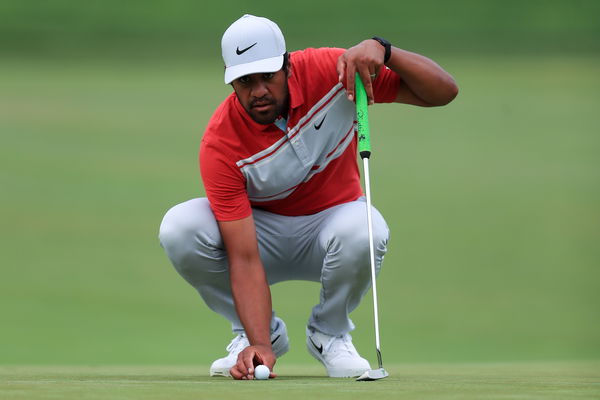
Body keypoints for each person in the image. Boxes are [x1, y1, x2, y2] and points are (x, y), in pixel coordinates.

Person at [159, 14, 458, 380]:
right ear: (229, 78)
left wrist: (385, 50)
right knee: (180, 227)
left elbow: (443, 92)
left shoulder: (333, 73)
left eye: (267, 76)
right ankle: (254, 337)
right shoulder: (220, 144)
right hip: (261, 236)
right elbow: (244, 256)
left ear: (287, 64)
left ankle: (329, 335)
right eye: (244, 81)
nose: (258, 92)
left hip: (332, 227)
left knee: (367, 229)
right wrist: (262, 344)